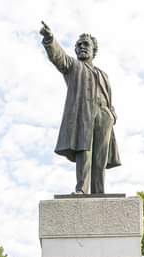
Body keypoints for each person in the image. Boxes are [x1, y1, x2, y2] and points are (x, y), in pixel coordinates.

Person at [39, 24, 120, 195]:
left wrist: (111, 113)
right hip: (85, 113)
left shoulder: (103, 74)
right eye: (79, 45)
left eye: (86, 44)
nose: (82, 47)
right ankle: (82, 189)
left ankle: (99, 191)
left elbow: (108, 95)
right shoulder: (73, 66)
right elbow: (58, 57)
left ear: (93, 50)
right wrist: (49, 39)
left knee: (100, 156)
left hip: (104, 115)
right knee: (85, 150)